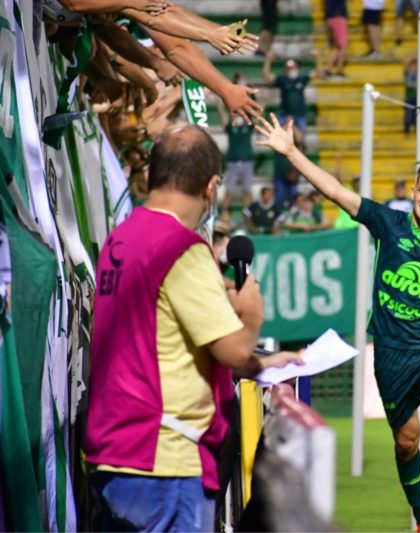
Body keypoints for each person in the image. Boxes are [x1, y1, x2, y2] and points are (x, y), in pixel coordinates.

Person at [255, 114, 420, 533]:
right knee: (406, 441)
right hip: (392, 353)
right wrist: (291, 152)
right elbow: (336, 191)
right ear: (413, 191)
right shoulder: (388, 224)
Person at [84, 125, 302, 532]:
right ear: (212, 186)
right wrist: (251, 314)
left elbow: (161, 343)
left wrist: (262, 363)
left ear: (151, 175)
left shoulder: (120, 238)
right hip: (163, 457)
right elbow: (232, 351)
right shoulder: (181, 247)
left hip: (114, 450)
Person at [262, 49, 323, 136]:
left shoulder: (302, 78)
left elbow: (318, 73)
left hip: (299, 115)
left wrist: (317, 58)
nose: (291, 69)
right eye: (289, 68)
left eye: (293, 67)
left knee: (300, 139)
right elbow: (267, 76)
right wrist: (268, 60)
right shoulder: (283, 79)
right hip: (284, 114)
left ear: (297, 67)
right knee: (282, 138)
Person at [220, 72, 256, 213]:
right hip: (233, 162)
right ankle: (224, 214)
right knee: (229, 191)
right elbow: (225, 114)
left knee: (247, 191)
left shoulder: (248, 125)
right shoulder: (230, 127)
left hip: (247, 161)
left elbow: (254, 113)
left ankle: (248, 215)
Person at [324, 0, 348, 79]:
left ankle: (328, 70)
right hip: (338, 16)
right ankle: (339, 71)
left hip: (333, 17)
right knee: (343, 46)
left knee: (338, 47)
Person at [404, 55, 418, 136]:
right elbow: (405, 63)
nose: (413, 67)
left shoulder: (419, 74)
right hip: (409, 98)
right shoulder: (408, 74)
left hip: (417, 99)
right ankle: (407, 132)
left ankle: (417, 132)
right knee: (408, 117)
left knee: (417, 117)